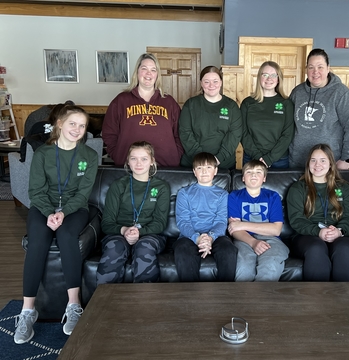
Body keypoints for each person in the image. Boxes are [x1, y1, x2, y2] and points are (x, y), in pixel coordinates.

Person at [14, 105, 99, 344]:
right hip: (43, 207)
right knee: (37, 240)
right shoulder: (43, 153)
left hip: (75, 209)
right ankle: (28, 311)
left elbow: (83, 195)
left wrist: (64, 213)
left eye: (82, 126)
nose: (77, 129)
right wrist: (51, 212)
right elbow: (36, 191)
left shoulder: (89, 156)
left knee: (67, 236)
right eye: (73, 123)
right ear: (60, 124)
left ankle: (73, 306)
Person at [96, 141, 170, 285]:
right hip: (118, 233)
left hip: (150, 234)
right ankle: (105, 304)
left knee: (144, 248)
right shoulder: (118, 185)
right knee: (114, 249)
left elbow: (160, 223)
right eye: (133, 158)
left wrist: (139, 233)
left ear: (152, 162)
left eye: (144, 159)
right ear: (128, 162)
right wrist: (124, 230)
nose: (138, 163)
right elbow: (107, 223)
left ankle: (145, 304)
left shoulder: (161, 187)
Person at [286, 143, 349, 282]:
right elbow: (297, 219)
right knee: (316, 248)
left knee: (345, 249)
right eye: (313, 160)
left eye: (323, 160)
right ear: (308, 163)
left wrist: (339, 231)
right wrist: (318, 232)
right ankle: (317, 301)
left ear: (331, 164)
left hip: (338, 234)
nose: (317, 164)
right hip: (306, 236)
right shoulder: (298, 188)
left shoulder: (343, 187)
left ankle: (345, 301)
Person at [102, 53, 183, 167]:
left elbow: (180, 133)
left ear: (157, 74)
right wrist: (118, 155)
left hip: (166, 166)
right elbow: (109, 132)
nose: (148, 73)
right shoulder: (121, 100)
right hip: (131, 167)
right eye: (144, 68)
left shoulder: (169, 102)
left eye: (153, 70)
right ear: (137, 72)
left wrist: (175, 155)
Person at [289, 48, 349, 169]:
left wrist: (347, 158)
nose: (315, 72)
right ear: (306, 69)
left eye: (320, 67)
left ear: (328, 68)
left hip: (328, 164)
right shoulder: (297, 92)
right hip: (297, 161)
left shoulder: (340, 93)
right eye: (311, 67)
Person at [173, 152, 237, 281]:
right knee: (183, 251)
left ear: (215, 170)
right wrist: (197, 238)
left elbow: (221, 221)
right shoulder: (184, 193)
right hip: (188, 236)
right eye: (199, 168)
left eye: (208, 167)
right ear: (194, 171)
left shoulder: (222, 194)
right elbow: (183, 221)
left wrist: (210, 238)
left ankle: (225, 295)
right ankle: (191, 296)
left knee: (228, 250)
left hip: (217, 236)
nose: (204, 172)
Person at [228, 160, 289, 281]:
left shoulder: (273, 196)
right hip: (243, 239)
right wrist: (253, 242)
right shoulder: (234, 196)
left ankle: (262, 299)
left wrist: (242, 224)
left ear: (264, 178)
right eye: (249, 172)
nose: (254, 175)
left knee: (270, 266)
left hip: (272, 240)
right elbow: (234, 229)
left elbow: (276, 230)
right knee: (243, 267)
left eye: (258, 172)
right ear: (243, 178)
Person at [179, 66, 242, 170]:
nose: (211, 85)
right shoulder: (190, 104)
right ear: (201, 83)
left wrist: (218, 159)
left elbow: (235, 135)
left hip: (223, 165)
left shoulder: (231, 106)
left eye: (215, 81)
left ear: (221, 82)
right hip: (194, 164)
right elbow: (185, 133)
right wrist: (202, 160)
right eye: (206, 82)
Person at [240, 61, 294, 168]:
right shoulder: (247, 103)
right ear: (259, 77)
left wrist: (269, 158)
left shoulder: (286, 103)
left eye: (274, 75)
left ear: (278, 79)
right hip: (252, 158)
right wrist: (257, 156)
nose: (269, 79)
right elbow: (243, 132)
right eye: (265, 75)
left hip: (279, 159)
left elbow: (288, 134)